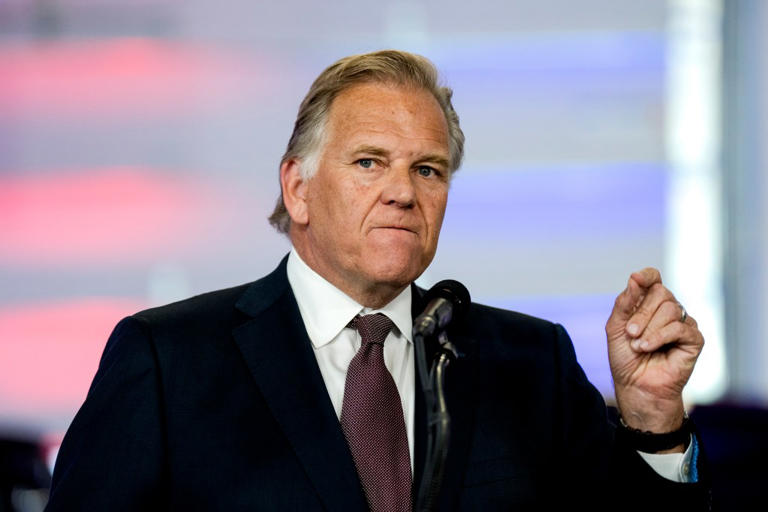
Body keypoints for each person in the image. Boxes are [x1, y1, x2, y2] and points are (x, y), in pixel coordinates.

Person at [46, 50, 710, 511]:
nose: (403, 192)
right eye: (369, 162)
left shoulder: (532, 361)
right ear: (298, 188)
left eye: (428, 169)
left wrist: (653, 421)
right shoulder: (168, 362)